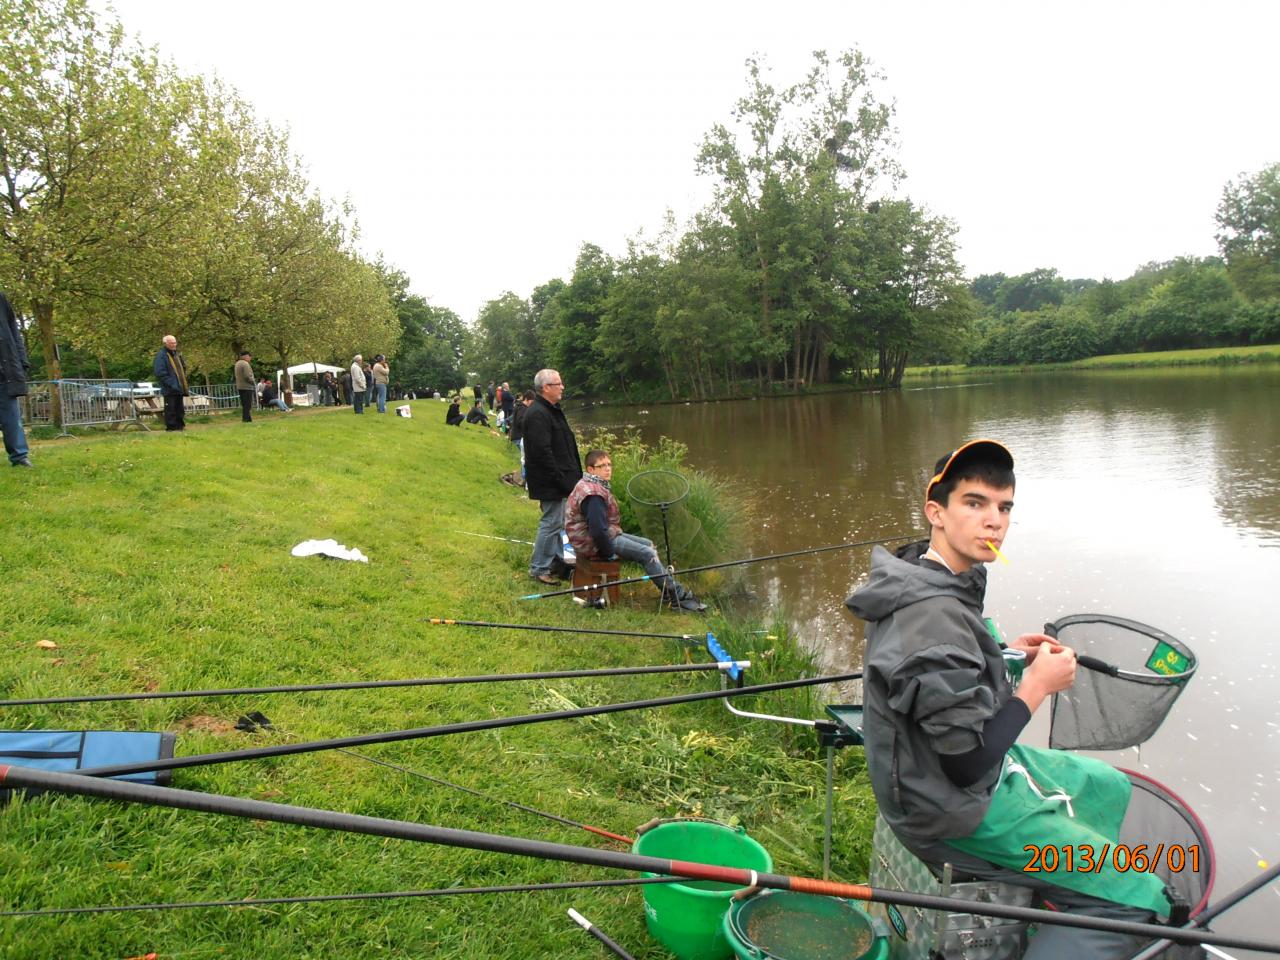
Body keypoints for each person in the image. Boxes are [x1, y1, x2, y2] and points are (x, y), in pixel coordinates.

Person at [846, 440, 1171, 959]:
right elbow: (966, 764)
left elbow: (949, 669)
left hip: (927, 778)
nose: (993, 521)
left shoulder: (926, 573)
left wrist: (1002, 653)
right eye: (974, 504)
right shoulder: (931, 617)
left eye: (1004, 507)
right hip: (949, 808)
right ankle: (1096, 907)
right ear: (937, 512)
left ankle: (1065, 886)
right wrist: (1035, 687)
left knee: (1105, 784)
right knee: (1137, 896)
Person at [566, 450, 706, 611]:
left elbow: (599, 527)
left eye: (609, 464)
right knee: (647, 554)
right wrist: (608, 552)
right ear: (591, 470)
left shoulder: (590, 484)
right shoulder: (594, 495)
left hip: (595, 534)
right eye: (602, 466)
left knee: (648, 545)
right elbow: (597, 531)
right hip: (589, 540)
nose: (608, 469)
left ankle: (667, 591)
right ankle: (678, 597)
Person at [522, 369, 581, 585]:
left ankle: (556, 563)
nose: (562, 387)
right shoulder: (538, 413)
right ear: (546, 387)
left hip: (559, 478)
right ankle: (539, 568)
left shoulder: (551, 410)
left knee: (557, 522)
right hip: (550, 480)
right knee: (551, 522)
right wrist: (559, 478)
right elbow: (542, 452)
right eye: (558, 383)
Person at [0, 290, 32, 467]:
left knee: (11, 416)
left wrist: (22, 361)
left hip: (5, 371)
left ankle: (19, 457)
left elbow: (13, 331)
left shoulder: (1, 298)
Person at [153, 334, 189, 432]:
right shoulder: (161, 355)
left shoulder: (177, 354)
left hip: (179, 387)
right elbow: (160, 372)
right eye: (171, 343)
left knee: (179, 409)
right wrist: (172, 384)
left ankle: (180, 426)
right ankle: (171, 428)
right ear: (165, 344)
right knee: (171, 409)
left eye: (174, 342)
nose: (174, 344)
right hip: (169, 388)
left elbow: (183, 368)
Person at [234, 350, 255, 422]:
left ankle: (249, 419)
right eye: (250, 357)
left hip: (240, 386)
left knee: (245, 404)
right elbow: (247, 376)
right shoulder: (245, 364)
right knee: (248, 405)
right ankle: (245, 419)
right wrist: (253, 382)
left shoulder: (237, 363)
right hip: (247, 386)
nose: (250, 359)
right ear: (246, 356)